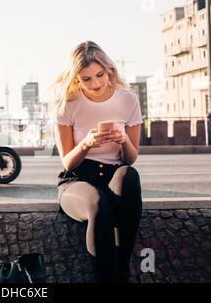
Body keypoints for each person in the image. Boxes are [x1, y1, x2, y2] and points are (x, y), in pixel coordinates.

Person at [52, 41, 143, 283]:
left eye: (99, 75)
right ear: (76, 79)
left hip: (113, 176)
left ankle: (122, 272)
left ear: (109, 69)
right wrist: (86, 143)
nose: (95, 83)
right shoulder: (67, 103)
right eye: (86, 79)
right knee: (98, 203)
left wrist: (123, 140)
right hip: (77, 180)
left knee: (129, 176)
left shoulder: (129, 100)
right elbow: (68, 163)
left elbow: (131, 158)